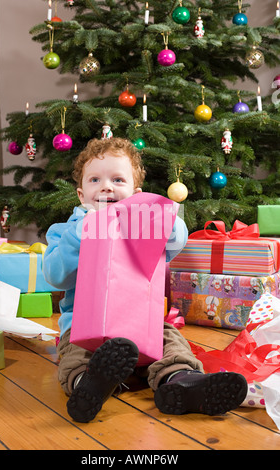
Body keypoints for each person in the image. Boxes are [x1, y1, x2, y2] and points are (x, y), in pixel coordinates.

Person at [43, 137, 247, 423]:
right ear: (81, 194)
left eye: (117, 179)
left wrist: (155, 215)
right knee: (76, 354)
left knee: (170, 340)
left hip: (141, 322)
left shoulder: (141, 225)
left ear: (135, 192)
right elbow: (54, 275)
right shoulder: (66, 231)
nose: (106, 186)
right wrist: (82, 232)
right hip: (81, 326)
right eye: (95, 180)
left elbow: (176, 239)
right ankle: (89, 385)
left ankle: (181, 382)